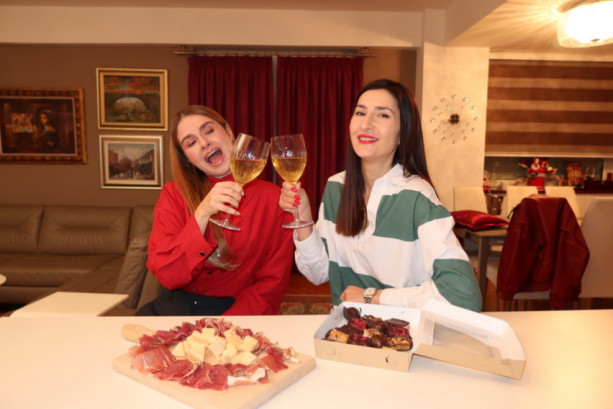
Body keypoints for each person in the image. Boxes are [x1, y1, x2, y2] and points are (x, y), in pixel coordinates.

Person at [279, 79, 482, 312]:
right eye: (360, 113)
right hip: (347, 328)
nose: (366, 124)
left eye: (382, 115)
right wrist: (304, 219)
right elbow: (319, 272)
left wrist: (371, 297)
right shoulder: (336, 187)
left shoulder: (417, 197)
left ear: (403, 132)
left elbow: (463, 296)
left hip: (401, 331)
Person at [137, 105, 294, 316]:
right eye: (191, 142)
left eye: (209, 131)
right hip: (175, 308)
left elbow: (271, 285)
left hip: (239, 312)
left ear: (229, 132)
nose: (204, 143)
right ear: (187, 158)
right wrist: (202, 213)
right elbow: (169, 276)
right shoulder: (173, 194)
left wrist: (224, 326)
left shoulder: (274, 199)